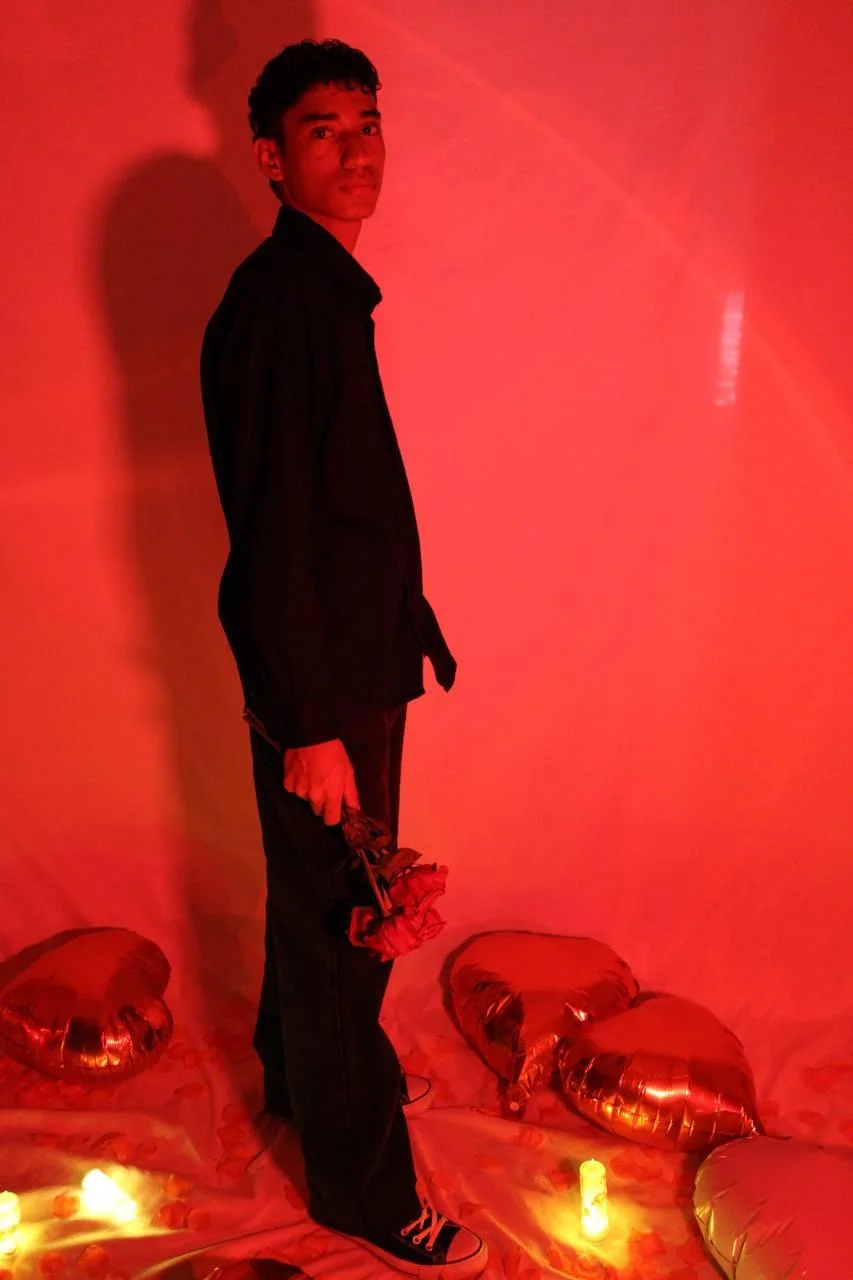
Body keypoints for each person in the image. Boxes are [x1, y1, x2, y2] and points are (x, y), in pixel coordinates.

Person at [200, 38, 487, 1279]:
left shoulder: (323, 293)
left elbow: (336, 508)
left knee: (314, 900)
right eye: (324, 129)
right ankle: (364, 1185)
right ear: (272, 158)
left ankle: (296, 1077)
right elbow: (272, 536)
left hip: (354, 668)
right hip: (324, 689)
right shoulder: (281, 305)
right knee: (343, 923)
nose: (358, 147)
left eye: (367, 122)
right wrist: (310, 722)